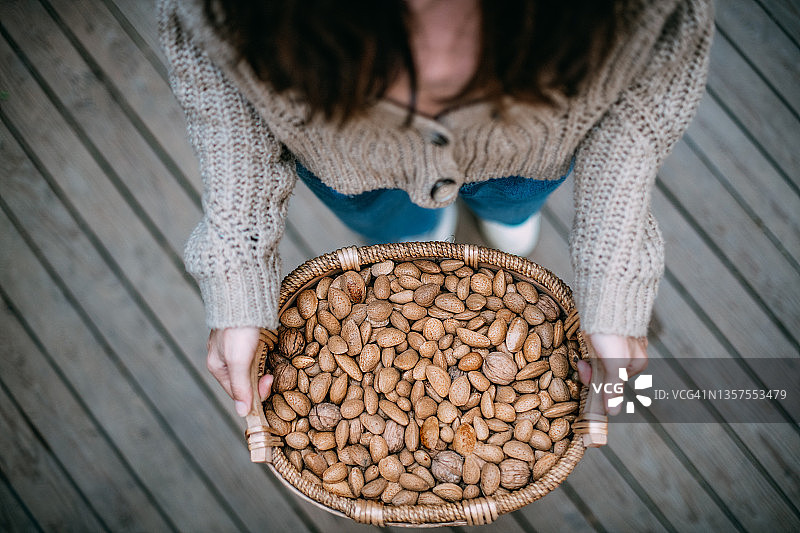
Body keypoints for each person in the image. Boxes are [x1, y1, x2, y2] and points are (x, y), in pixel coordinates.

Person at [159, 0, 713, 419]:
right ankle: (422, 230)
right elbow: (222, 95)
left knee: (513, 200)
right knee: (391, 226)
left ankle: (509, 221)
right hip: (355, 173)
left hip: (525, 159)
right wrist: (236, 266)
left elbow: (645, 94)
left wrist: (614, 273)